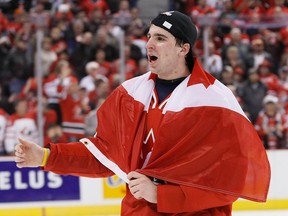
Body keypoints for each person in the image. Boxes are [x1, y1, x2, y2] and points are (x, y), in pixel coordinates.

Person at [15, 11, 270, 215]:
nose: (149, 43)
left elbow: (230, 182)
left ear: (184, 49)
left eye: (160, 38)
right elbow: (104, 155)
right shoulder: (130, 94)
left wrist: (162, 195)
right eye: (149, 36)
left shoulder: (215, 101)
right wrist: (46, 156)